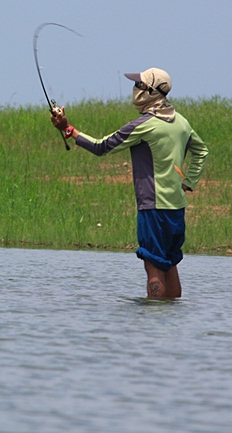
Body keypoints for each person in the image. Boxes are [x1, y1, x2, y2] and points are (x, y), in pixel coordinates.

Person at [50, 67, 209, 299]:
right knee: (170, 263)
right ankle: (172, 323)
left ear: (149, 91)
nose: (134, 89)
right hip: (176, 208)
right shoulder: (182, 122)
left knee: (153, 265)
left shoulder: (143, 125)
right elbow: (201, 150)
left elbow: (100, 146)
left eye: (138, 85)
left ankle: (151, 324)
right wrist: (189, 181)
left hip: (153, 208)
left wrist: (67, 129)